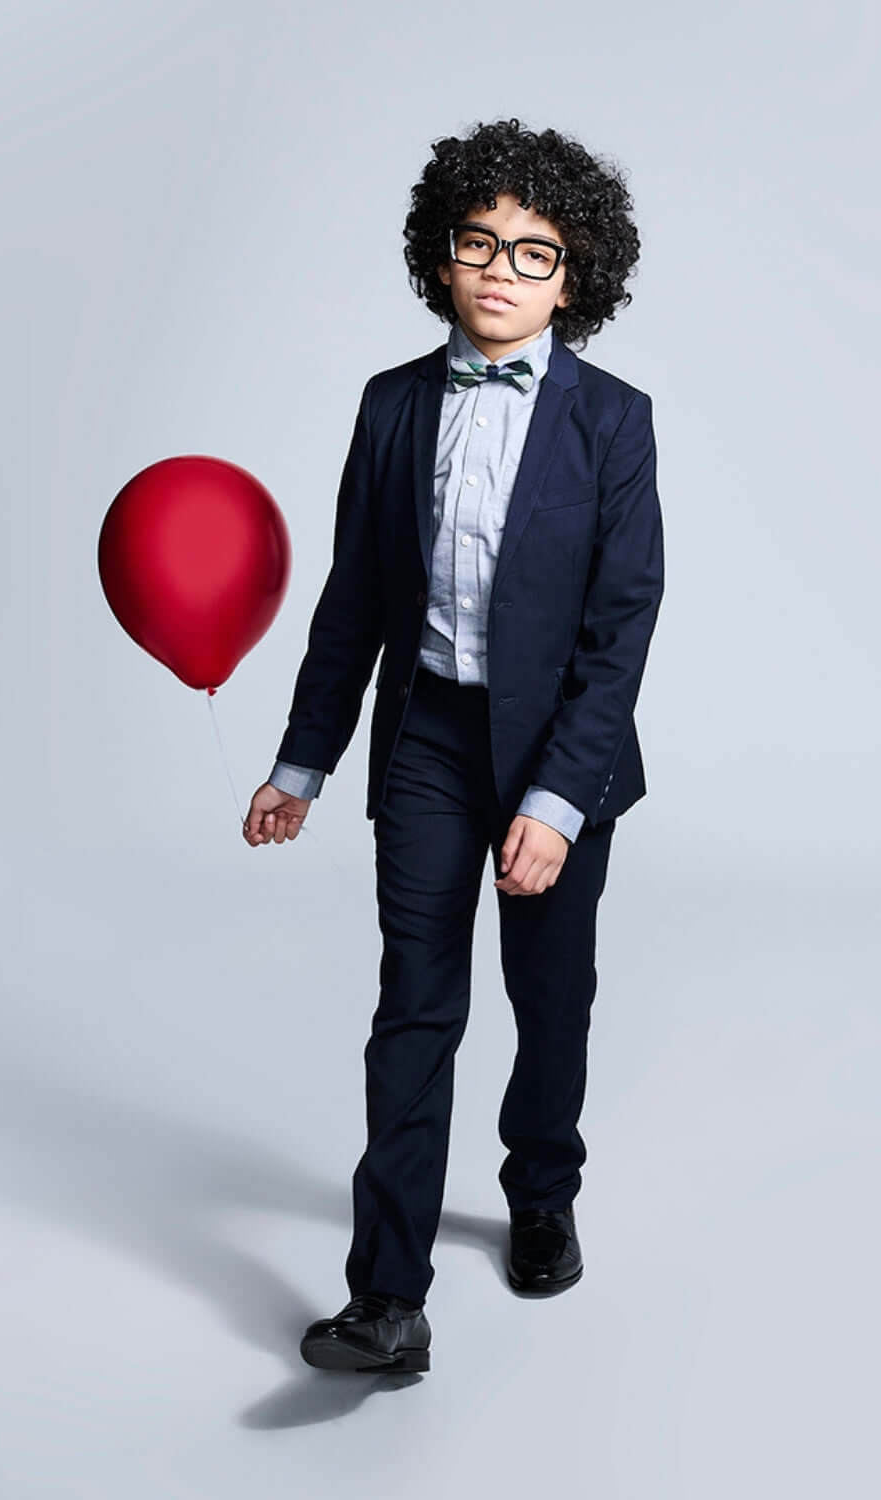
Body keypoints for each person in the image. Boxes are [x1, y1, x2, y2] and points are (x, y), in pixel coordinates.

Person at [242, 117, 665, 1374]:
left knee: (549, 999)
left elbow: (621, 624)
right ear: (440, 257)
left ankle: (541, 1189)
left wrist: (559, 799)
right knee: (413, 1006)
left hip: (559, 756)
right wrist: (300, 764)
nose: (500, 270)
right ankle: (388, 1299)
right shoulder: (390, 405)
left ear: (573, 277)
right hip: (426, 732)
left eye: (532, 254)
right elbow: (354, 599)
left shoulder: (616, 423)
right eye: (478, 243)